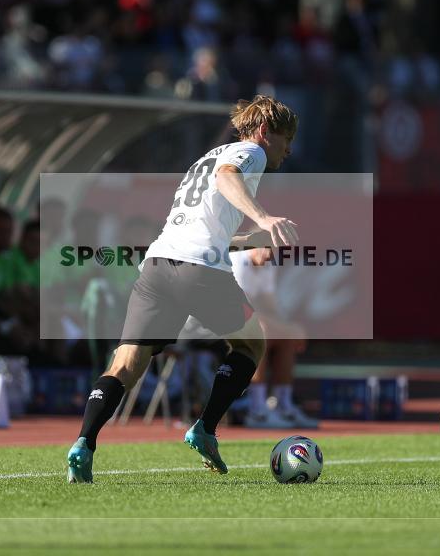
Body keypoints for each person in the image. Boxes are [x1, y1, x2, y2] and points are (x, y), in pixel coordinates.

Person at [66, 95, 299, 483]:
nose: (289, 150)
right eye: (286, 139)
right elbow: (228, 177)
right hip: (200, 272)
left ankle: (83, 443)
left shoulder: (205, 158)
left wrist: (253, 236)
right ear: (263, 132)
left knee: (124, 366)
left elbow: (209, 228)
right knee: (251, 345)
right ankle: (205, 427)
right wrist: (263, 215)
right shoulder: (249, 153)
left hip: (157, 269)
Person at [231, 248, 317, 429]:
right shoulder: (236, 261)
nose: (269, 255)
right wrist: (286, 328)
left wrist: (290, 329)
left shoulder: (267, 263)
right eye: (266, 248)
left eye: (273, 251)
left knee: (285, 337)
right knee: (262, 329)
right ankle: (257, 410)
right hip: (207, 323)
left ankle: (283, 406)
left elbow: (269, 305)